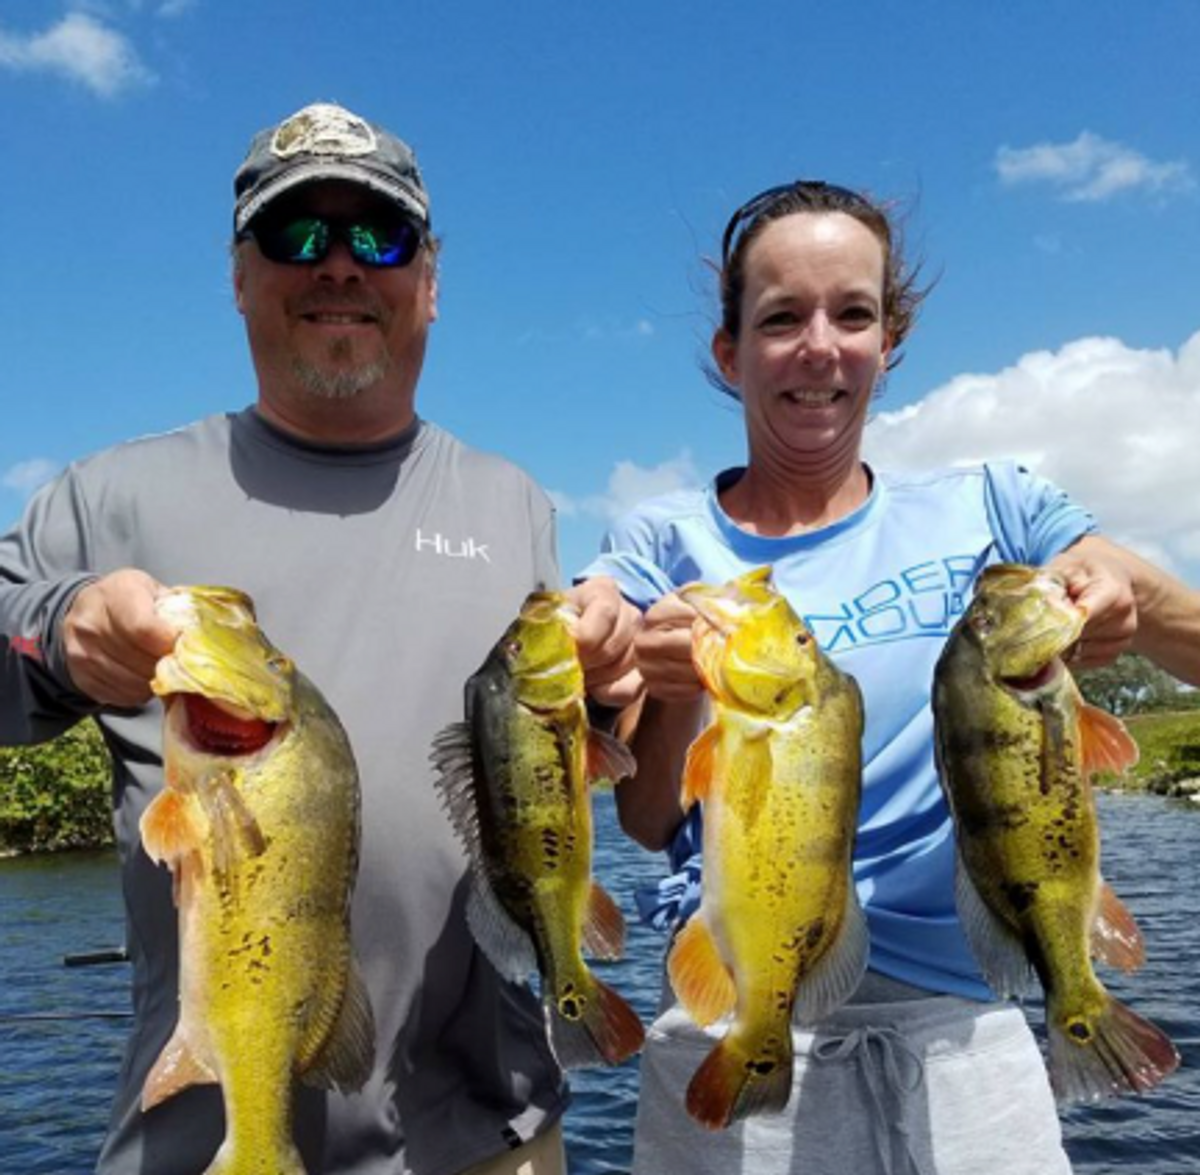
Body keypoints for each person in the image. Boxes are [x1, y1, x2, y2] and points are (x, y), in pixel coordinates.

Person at [0, 101, 640, 1175]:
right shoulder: (109, 495)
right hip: (201, 1141)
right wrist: (60, 631)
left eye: (377, 237)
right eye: (295, 236)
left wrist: (618, 683)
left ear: (429, 280)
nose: (338, 265)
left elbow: (552, 771)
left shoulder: (515, 501)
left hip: (495, 1136)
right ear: (239, 276)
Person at [578, 179, 1200, 1174]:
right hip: (743, 1004)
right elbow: (652, 820)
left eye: (853, 313)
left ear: (890, 340)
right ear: (730, 351)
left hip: (967, 1033)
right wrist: (672, 676)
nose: (821, 345)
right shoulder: (662, 540)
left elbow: (1177, 627)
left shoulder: (997, 504)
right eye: (781, 318)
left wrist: (1121, 585)